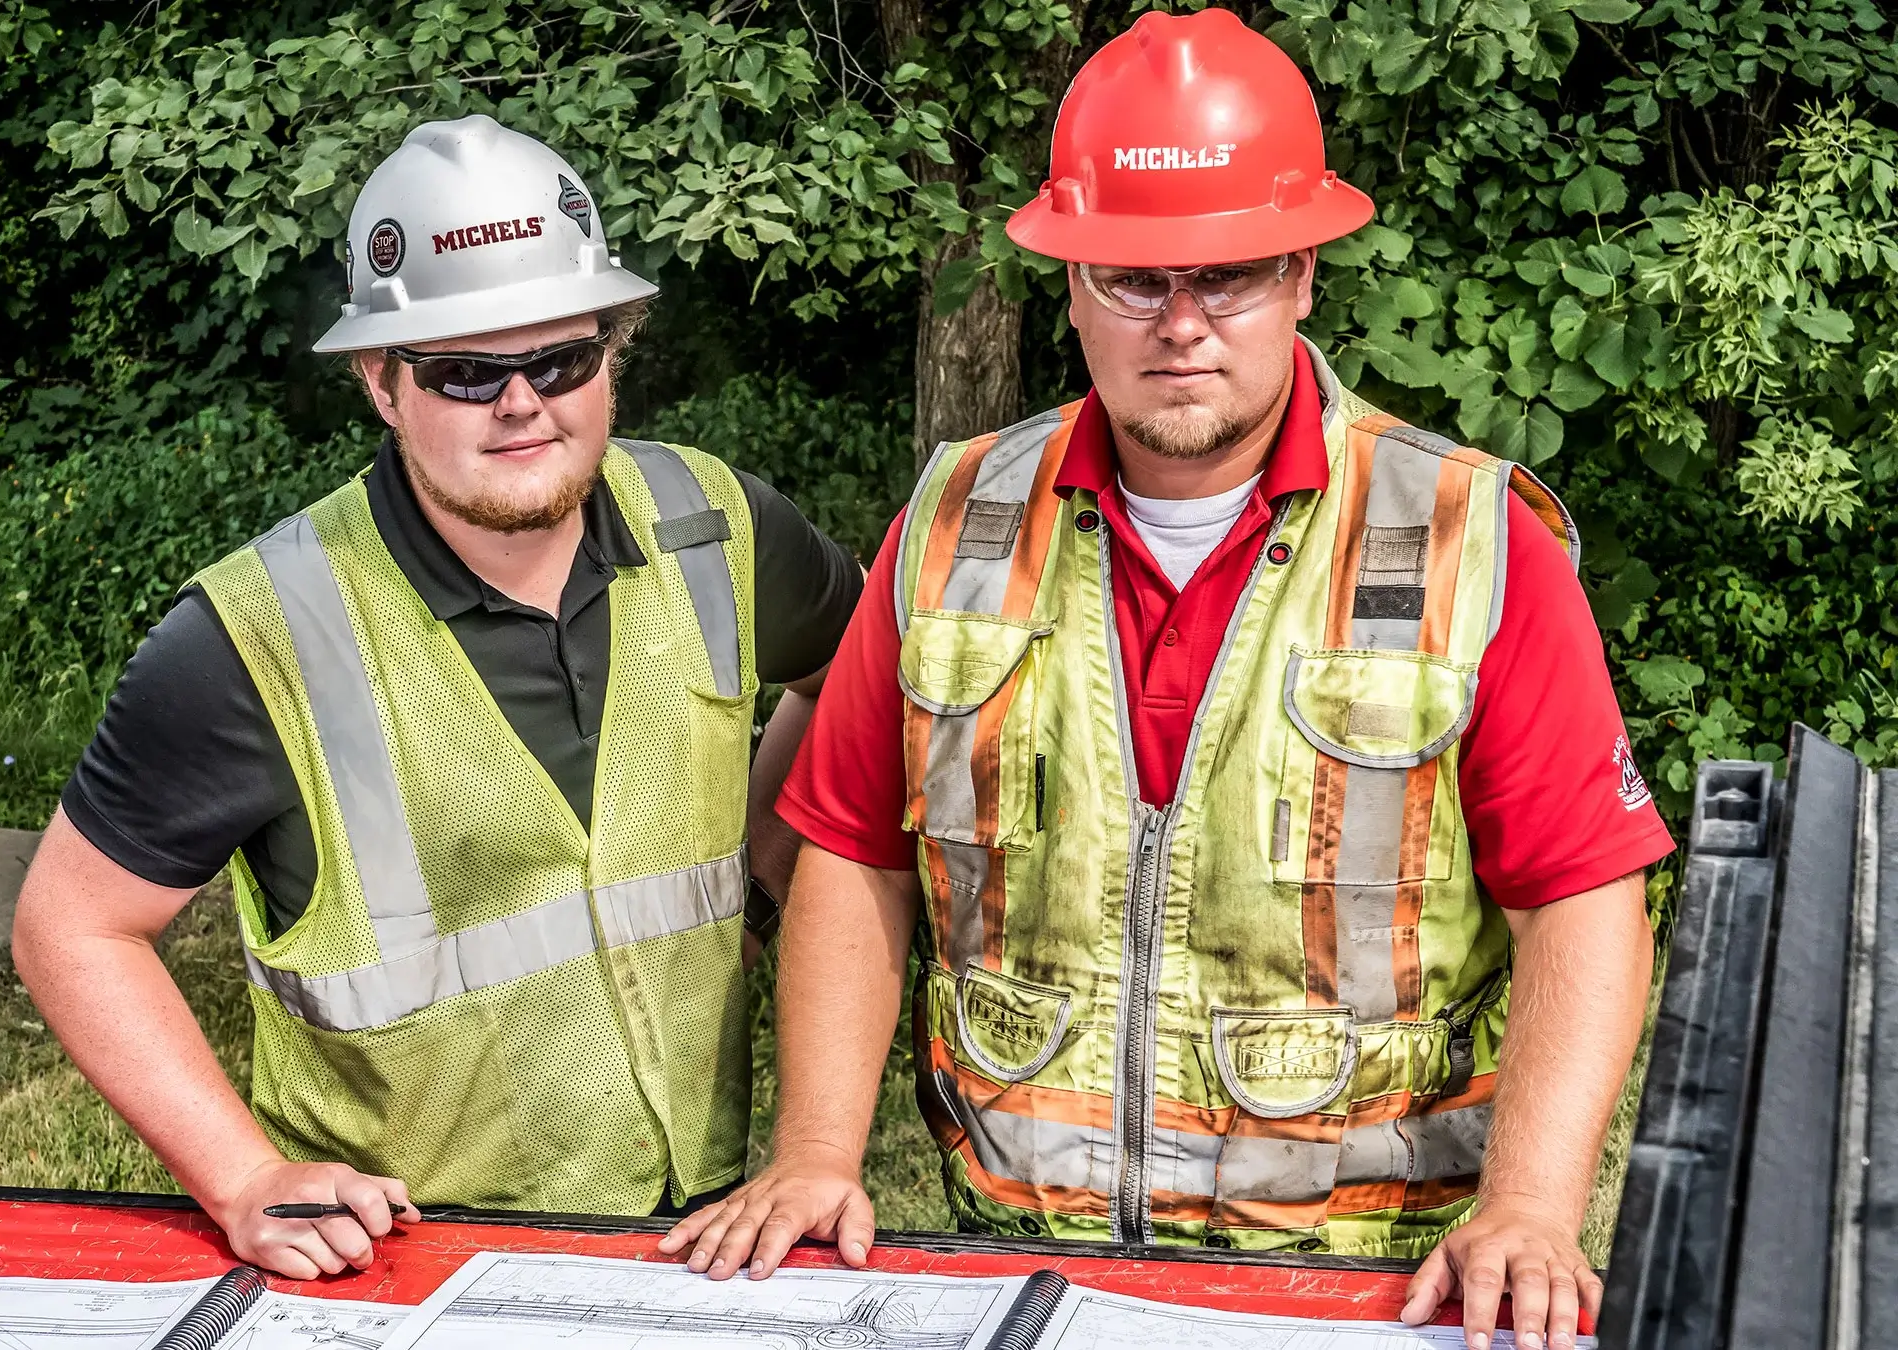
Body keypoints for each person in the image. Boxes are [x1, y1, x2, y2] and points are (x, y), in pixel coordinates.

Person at [659, 13, 1672, 1350]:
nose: (1182, 325)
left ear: (1303, 273)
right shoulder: (958, 522)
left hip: (1364, 1287)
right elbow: (852, 852)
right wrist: (815, 1152)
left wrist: (1535, 1208)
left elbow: (1583, 898)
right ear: (1070, 284)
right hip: (1014, 1276)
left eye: (1229, 275)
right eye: (1135, 279)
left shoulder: (1472, 543)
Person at [13, 115, 864, 1284]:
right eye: (467, 370)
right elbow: (73, 927)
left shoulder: (716, 525)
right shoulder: (252, 636)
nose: (522, 403)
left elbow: (858, 697)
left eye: (561, 359)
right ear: (381, 382)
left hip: (699, 1244)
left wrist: (760, 887)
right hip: (412, 1265)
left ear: (613, 349)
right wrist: (244, 1179)